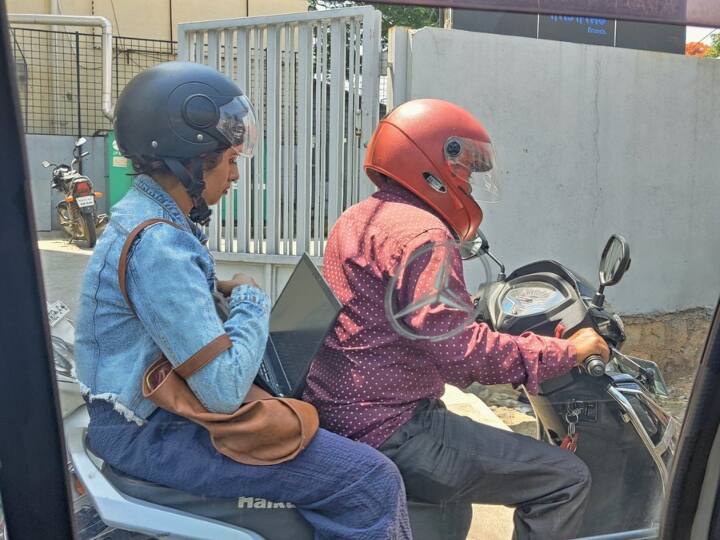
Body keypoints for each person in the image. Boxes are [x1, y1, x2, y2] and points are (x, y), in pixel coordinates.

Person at [75, 61, 412, 540]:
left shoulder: (149, 217)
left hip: (146, 419)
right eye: (230, 160)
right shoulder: (159, 245)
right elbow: (224, 389)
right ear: (188, 161)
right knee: (369, 479)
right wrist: (252, 298)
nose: (235, 175)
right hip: (148, 433)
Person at [304, 99, 610, 540]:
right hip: (392, 427)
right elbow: (459, 351)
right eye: (464, 169)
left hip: (346, 410)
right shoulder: (425, 236)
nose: (467, 182)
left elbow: (410, 318)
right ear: (430, 164)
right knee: (564, 478)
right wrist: (564, 350)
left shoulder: (358, 218)